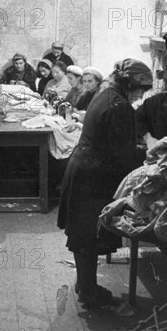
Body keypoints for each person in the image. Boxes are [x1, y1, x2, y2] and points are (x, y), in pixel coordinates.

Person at [57, 59, 153, 309]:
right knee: (89, 234)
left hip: (84, 166)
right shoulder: (120, 106)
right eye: (141, 89)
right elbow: (122, 154)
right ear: (131, 84)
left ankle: (85, 285)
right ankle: (89, 291)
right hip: (94, 174)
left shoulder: (106, 92)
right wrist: (148, 155)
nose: (141, 95)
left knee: (84, 234)